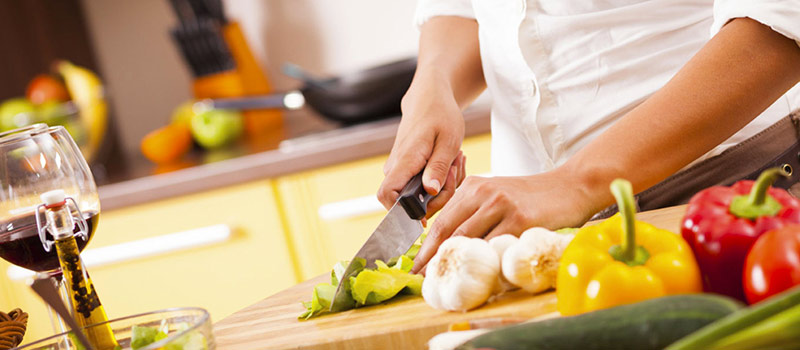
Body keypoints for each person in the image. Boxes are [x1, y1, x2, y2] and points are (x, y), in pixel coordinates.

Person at [377, 0, 800, 273]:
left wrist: (573, 183)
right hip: (534, 242)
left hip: (725, 202)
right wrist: (435, 81)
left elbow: (780, 15)